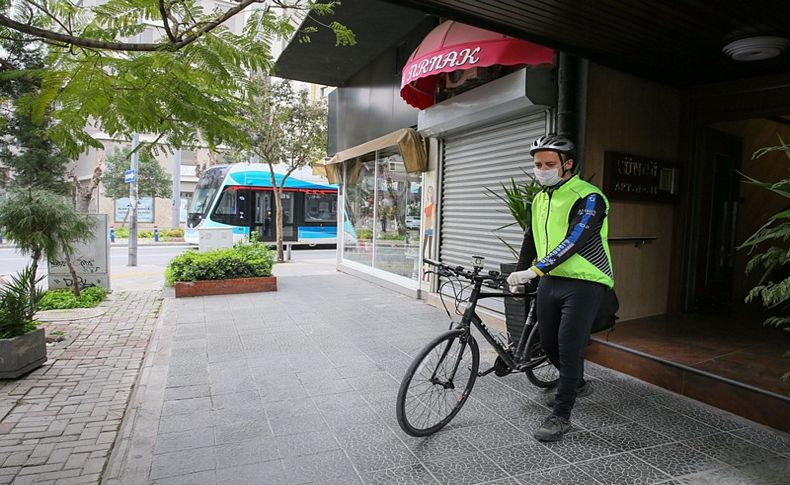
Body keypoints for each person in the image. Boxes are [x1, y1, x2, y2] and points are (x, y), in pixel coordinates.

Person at [506, 134, 614, 442]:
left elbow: (576, 239)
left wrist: (534, 270)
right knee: (548, 343)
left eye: (549, 164)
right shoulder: (540, 197)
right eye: (537, 164)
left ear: (567, 164)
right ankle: (576, 383)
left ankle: (561, 416)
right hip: (551, 281)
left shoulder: (590, 196)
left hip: (584, 281)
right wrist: (519, 274)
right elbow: (530, 239)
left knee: (569, 348)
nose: (541, 169)